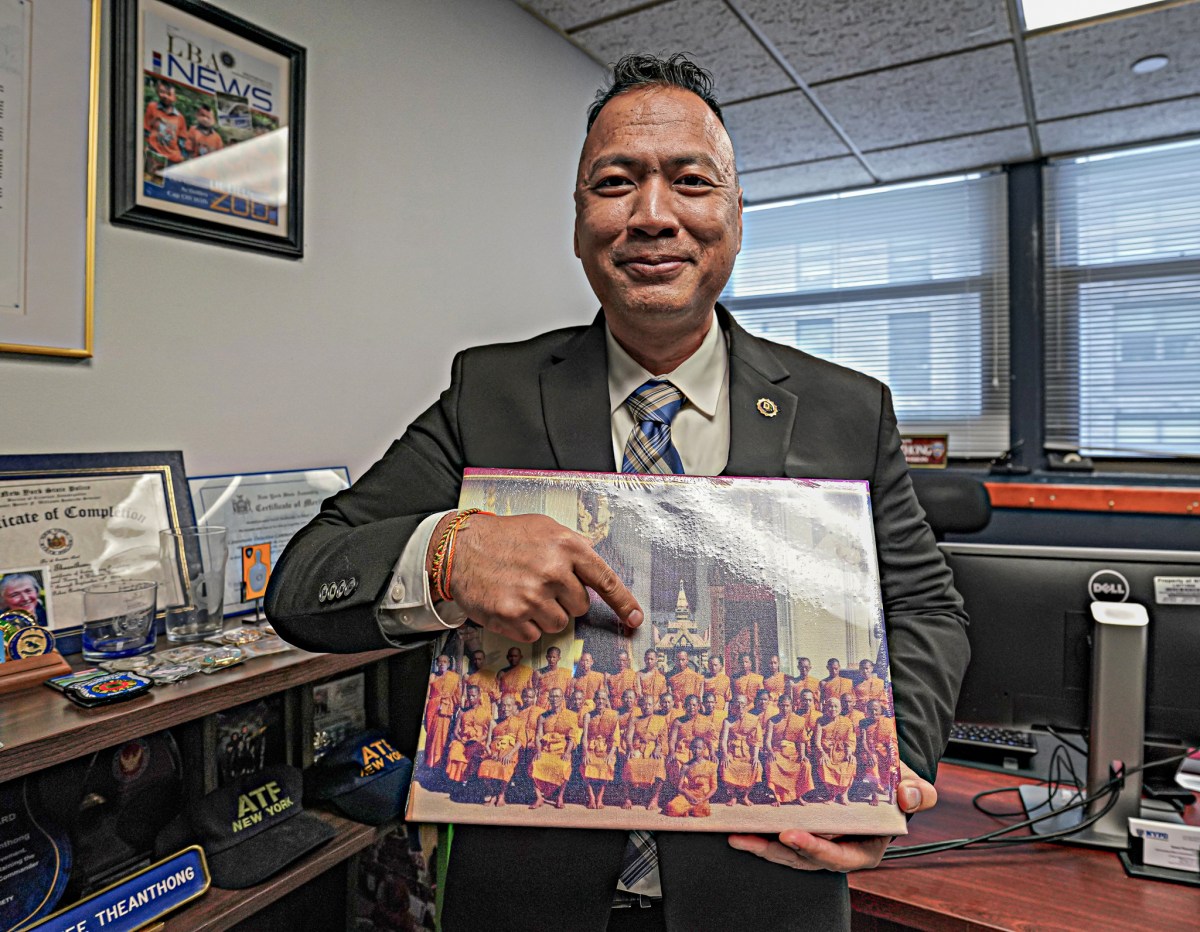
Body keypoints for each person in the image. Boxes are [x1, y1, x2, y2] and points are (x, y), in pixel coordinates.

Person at [266, 52, 969, 932]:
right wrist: (448, 552)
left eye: (690, 181)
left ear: (737, 216)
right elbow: (302, 583)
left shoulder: (846, 409)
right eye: (616, 182)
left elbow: (927, 609)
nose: (653, 215)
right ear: (578, 220)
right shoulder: (491, 391)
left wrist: (879, 770)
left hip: (769, 887)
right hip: (526, 895)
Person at [529, 687, 578, 810]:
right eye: (552, 696)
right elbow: (538, 736)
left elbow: (572, 737)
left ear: (562, 698)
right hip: (546, 749)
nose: (554, 699)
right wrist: (538, 751)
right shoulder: (543, 717)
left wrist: (567, 752)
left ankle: (560, 797)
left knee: (564, 766)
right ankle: (539, 797)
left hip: (562, 750)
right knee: (534, 764)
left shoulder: (571, 715)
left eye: (557, 696)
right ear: (549, 699)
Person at [763, 693, 814, 807]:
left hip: (793, 753)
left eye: (787, 706)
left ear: (792, 706)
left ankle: (799, 796)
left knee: (805, 765)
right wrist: (771, 752)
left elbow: (801, 740)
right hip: (777, 751)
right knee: (772, 764)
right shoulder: (772, 721)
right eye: (782, 706)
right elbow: (767, 740)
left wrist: (802, 754)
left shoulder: (799, 720)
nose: (784, 708)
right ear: (778, 706)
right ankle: (777, 797)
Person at [478, 694, 526, 806]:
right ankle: (493, 793)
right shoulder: (494, 722)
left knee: (504, 767)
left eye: (509, 705)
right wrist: (490, 753)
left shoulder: (519, 722)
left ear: (514, 706)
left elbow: (520, 741)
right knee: (484, 766)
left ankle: (501, 795)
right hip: (494, 752)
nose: (506, 708)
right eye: (503, 705)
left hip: (510, 753)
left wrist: (510, 754)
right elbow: (488, 742)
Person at [720, 692, 762, 807]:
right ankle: (733, 796)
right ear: (732, 705)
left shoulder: (754, 719)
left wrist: (756, 757)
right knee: (726, 765)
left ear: (747, 705)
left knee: (756, 766)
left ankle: (745, 796)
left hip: (748, 752)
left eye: (742, 703)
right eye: (737, 703)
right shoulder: (727, 721)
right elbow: (723, 740)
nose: (740, 706)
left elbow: (757, 741)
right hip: (732, 751)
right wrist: (725, 754)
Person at [581, 690, 621, 809]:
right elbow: (584, 736)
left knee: (608, 765)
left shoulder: (613, 716)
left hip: (606, 749)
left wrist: (610, 754)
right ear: (594, 700)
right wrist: (585, 752)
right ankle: (592, 797)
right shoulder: (588, 715)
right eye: (598, 699)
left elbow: (616, 737)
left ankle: (600, 798)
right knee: (585, 765)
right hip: (591, 747)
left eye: (603, 699)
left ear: (607, 701)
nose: (600, 701)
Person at [663, 737, 719, 819]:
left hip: (702, 797)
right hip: (689, 795)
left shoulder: (711, 766)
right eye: (694, 748)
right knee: (671, 808)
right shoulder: (686, 766)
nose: (696, 751)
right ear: (691, 748)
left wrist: (703, 799)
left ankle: (688, 810)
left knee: (703, 812)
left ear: (704, 749)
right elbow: (680, 787)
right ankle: (688, 809)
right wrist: (689, 795)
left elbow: (714, 788)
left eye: (699, 748)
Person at [421, 654, 460, 772]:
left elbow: (458, 696)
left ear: (448, 664)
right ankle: (430, 763)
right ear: (437, 664)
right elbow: (427, 696)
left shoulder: (454, 677)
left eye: (445, 662)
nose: (442, 664)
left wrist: (450, 706)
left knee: (442, 739)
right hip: (432, 710)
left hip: (445, 711)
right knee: (431, 737)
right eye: (440, 662)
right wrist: (425, 713)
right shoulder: (432, 676)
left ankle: (438, 765)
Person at [445, 684, 489, 784]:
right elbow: (456, 731)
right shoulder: (462, 711)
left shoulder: (486, 712)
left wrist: (478, 740)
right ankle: (459, 780)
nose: (471, 698)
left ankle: (468, 779)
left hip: (478, 741)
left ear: (479, 696)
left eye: (474, 696)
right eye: (469, 696)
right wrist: (461, 740)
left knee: (473, 751)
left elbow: (487, 732)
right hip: (463, 740)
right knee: (455, 748)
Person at [143, 79, 187, 167]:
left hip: (173, 159)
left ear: (175, 97)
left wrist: (183, 157)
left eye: (169, 94)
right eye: (162, 92)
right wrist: (145, 146)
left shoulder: (180, 117)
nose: (165, 96)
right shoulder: (152, 107)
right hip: (154, 154)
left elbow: (182, 141)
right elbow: (145, 130)